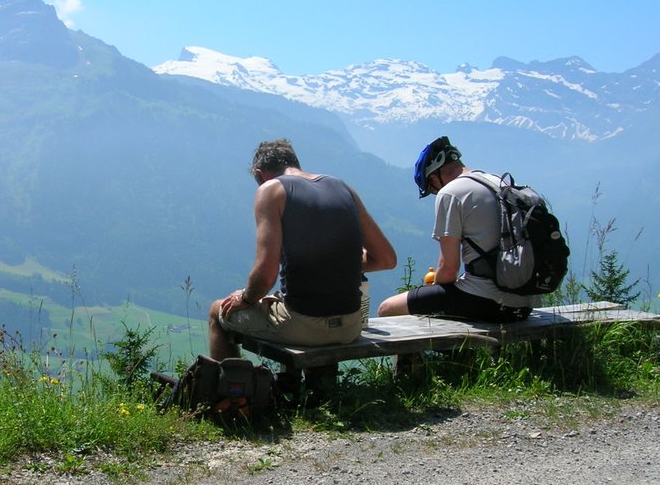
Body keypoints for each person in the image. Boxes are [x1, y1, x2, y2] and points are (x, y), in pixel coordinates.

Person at [208, 138, 397, 360]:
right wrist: (334, 265)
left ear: (260, 175)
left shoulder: (270, 190)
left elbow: (265, 275)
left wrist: (246, 299)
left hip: (302, 324)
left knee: (217, 311)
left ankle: (232, 392)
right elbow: (386, 259)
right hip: (351, 326)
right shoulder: (343, 188)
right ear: (295, 163)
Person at [378, 136, 540, 322]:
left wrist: (434, 292)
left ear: (434, 177)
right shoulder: (498, 182)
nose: (436, 193)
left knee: (387, 308)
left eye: (432, 190)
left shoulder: (451, 193)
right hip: (526, 302)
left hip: (487, 300)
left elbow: (448, 269)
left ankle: (455, 352)